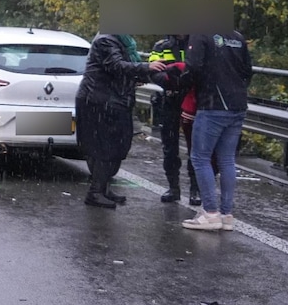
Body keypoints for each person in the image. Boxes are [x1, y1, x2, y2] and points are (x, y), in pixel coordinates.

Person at [76, 33, 167, 208]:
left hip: (114, 99)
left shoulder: (123, 41)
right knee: (104, 147)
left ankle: (103, 189)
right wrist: (146, 68)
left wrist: (139, 74)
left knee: (118, 146)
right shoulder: (106, 40)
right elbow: (116, 66)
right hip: (100, 100)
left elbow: (123, 68)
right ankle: (95, 192)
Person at [181, 29, 252, 231]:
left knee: (200, 157)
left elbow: (193, 67)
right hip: (237, 104)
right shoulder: (237, 36)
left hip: (212, 104)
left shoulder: (200, 33)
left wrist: (181, 85)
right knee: (227, 159)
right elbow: (248, 70)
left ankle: (210, 213)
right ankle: (226, 214)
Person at [148, 35, 200, 205]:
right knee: (170, 146)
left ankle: (195, 189)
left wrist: (188, 82)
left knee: (196, 147)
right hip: (170, 99)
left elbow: (206, 69)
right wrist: (170, 80)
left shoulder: (198, 42)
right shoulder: (161, 46)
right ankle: (173, 187)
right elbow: (153, 71)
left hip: (193, 101)